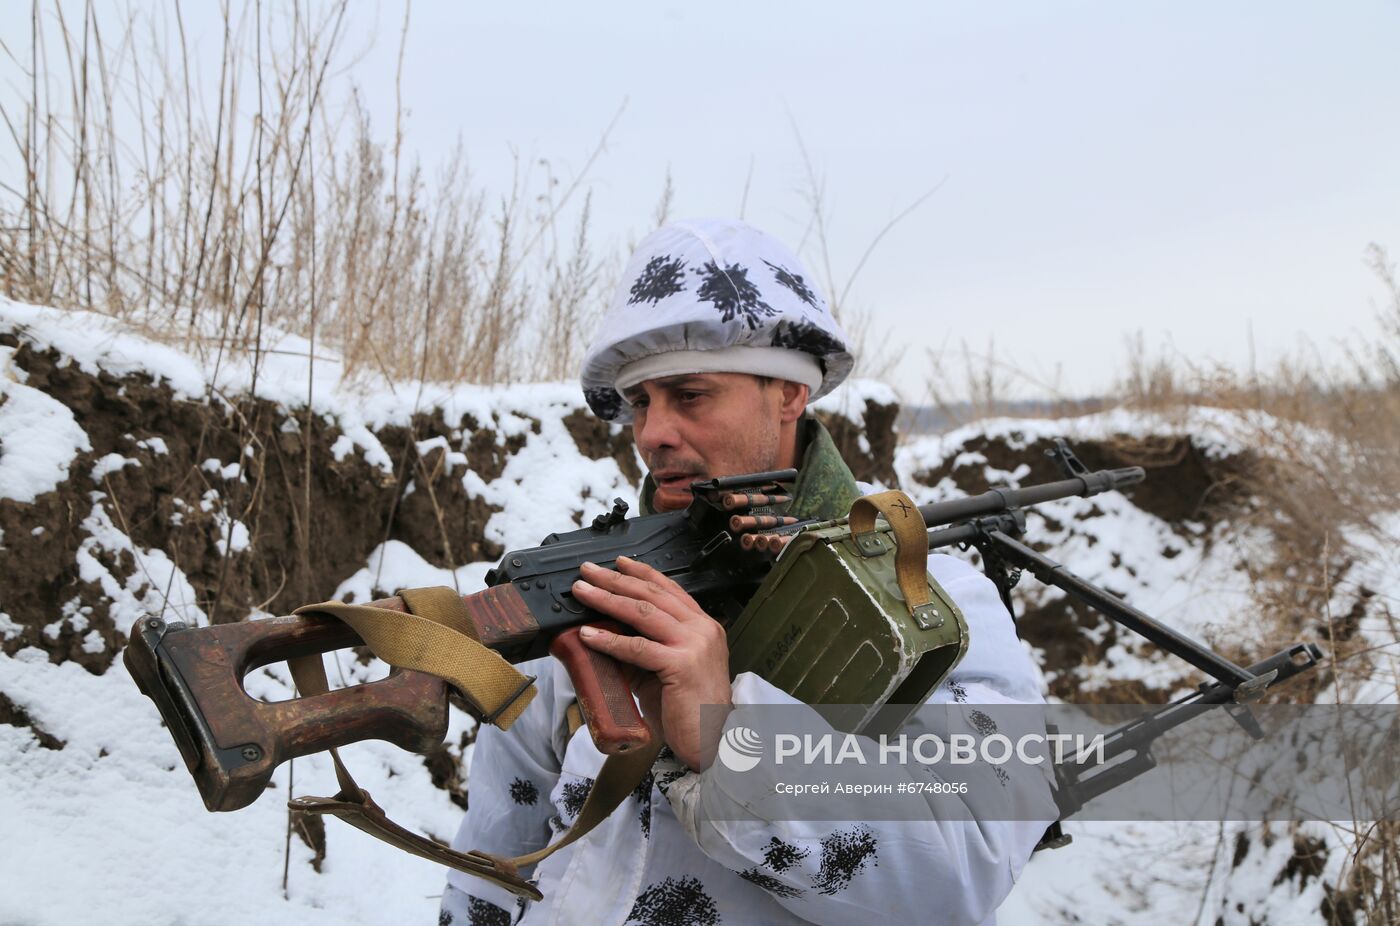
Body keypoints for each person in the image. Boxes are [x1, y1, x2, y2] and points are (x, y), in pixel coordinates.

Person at [440, 219, 1054, 926]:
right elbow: (490, 869)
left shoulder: (931, 602)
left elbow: (964, 876)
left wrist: (728, 734)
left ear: (790, 393)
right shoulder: (585, 601)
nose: (652, 433)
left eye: (689, 395)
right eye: (641, 402)